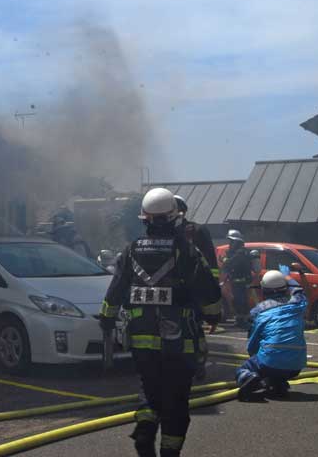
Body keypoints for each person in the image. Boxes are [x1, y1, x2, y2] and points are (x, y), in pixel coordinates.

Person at [99, 188, 221, 457]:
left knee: (149, 388)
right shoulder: (186, 251)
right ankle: (168, 453)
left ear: (145, 219)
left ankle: (145, 428)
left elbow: (115, 290)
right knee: (176, 398)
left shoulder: (131, 251)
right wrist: (213, 316)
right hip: (179, 340)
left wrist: (107, 319)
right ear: (175, 217)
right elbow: (209, 292)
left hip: (142, 338)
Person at [235, 270, 307, 400]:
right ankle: (278, 383)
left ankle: (250, 378)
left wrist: (254, 357)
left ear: (264, 290)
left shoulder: (259, 310)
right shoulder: (298, 304)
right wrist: (287, 276)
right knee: (276, 365)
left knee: (246, 368)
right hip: (296, 366)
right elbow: (298, 290)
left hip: (270, 362)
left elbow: (253, 342)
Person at [174, 195, 220, 382]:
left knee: (193, 329)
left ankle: (197, 364)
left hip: (191, 292)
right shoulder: (159, 233)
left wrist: (211, 295)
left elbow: (210, 264)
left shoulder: (197, 231)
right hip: (173, 292)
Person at [221, 230, 251, 328]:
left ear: (237, 242)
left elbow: (231, 263)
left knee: (240, 301)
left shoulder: (240, 253)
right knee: (238, 301)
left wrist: (223, 259)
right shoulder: (238, 252)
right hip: (237, 281)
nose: (230, 244)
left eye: (231, 242)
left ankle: (242, 321)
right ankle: (240, 320)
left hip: (240, 281)